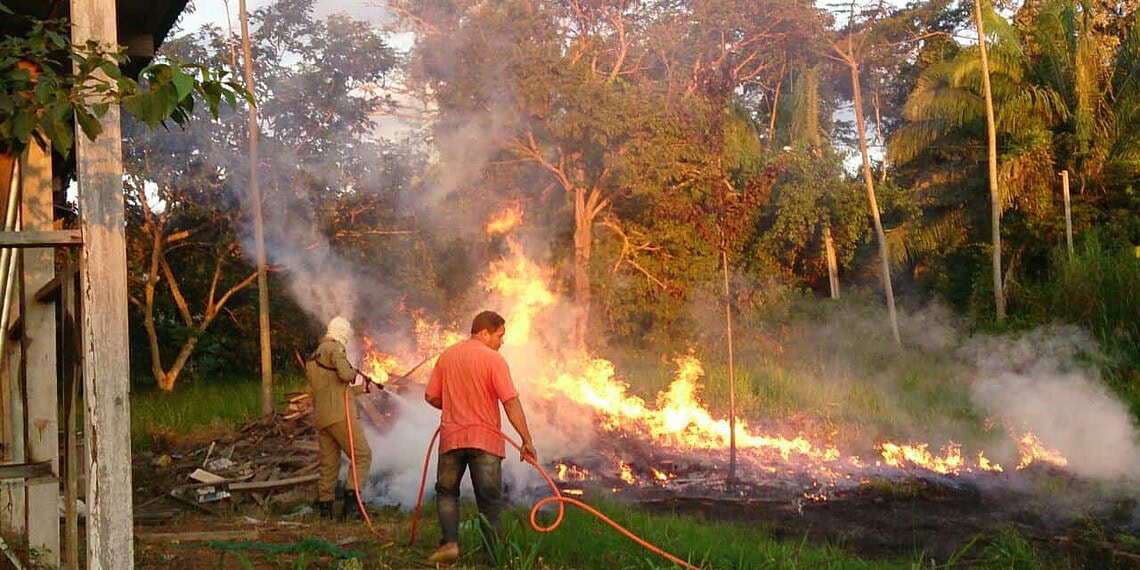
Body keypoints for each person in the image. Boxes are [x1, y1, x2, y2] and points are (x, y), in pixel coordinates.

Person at [424, 310, 537, 565]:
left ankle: (450, 544)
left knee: (447, 492)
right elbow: (510, 402)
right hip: (485, 441)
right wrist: (526, 439)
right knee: (489, 502)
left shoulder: (448, 356)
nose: (502, 341)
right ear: (484, 333)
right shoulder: (493, 360)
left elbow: (431, 396)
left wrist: (455, 407)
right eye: (500, 335)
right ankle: (494, 556)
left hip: (452, 438)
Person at [306, 316, 373, 521]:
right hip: (340, 415)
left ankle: (325, 507)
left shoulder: (312, 358)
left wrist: (362, 389)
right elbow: (345, 375)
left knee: (329, 463)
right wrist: (353, 372)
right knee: (362, 455)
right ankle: (351, 505)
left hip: (323, 418)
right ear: (341, 332)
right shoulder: (334, 348)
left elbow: (335, 389)